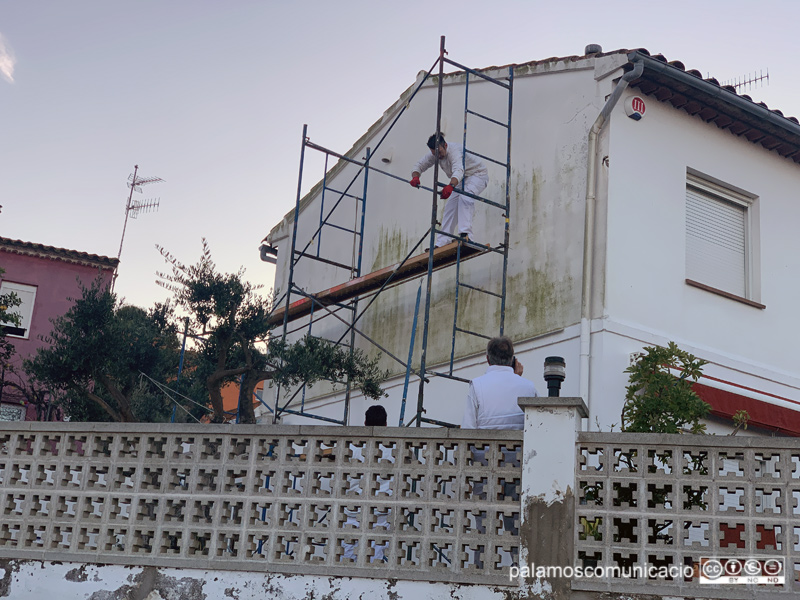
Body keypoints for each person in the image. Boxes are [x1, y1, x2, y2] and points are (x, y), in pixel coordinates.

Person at [409, 134, 489, 248]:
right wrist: (415, 177)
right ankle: (442, 241)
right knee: (450, 207)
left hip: (477, 175)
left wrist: (451, 186)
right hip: (462, 180)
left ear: (445, 145)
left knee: (465, 198)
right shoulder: (436, 153)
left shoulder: (454, 151)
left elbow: (458, 170)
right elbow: (419, 165)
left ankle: (465, 235)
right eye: (434, 154)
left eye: (440, 152)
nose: (438, 156)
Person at [461, 336, 539, 430]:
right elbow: (538, 424)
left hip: (485, 444)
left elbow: (467, 427)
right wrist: (517, 378)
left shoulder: (476, 385)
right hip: (521, 445)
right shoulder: (529, 387)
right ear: (512, 359)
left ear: (488, 359)